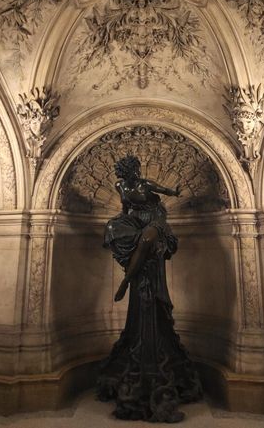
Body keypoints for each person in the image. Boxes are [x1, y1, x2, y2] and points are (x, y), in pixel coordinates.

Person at [97, 155, 202, 423]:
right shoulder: (122, 187)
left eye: (132, 169)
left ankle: (125, 281)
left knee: (145, 242)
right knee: (112, 227)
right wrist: (119, 227)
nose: (132, 173)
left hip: (155, 222)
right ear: (124, 172)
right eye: (127, 170)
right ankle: (130, 271)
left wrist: (175, 192)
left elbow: (165, 192)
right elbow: (123, 210)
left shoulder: (145, 184)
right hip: (136, 221)